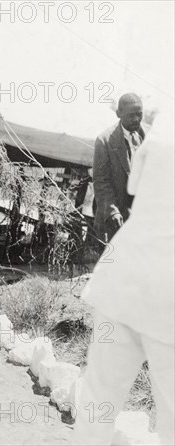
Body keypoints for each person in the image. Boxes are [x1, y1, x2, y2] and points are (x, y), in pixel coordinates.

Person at [72, 112, 174, 445]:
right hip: (164, 296)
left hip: (123, 280)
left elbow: (133, 184)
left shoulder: (162, 127)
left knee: (98, 401)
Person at [93, 93, 147, 242]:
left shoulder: (148, 138)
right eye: (131, 115)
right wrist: (112, 212)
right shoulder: (104, 140)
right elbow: (101, 181)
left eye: (139, 114)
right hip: (114, 221)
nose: (136, 119)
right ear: (119, 114)